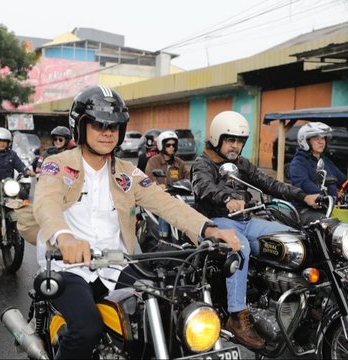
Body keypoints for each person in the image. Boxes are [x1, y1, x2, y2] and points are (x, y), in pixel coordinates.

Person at [32, 85, 239, 359]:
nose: (107, 132)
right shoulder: (58, 165)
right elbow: (46, 203)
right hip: (68, 266)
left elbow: (165, 203)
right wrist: (64, 237)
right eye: (98, 124)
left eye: (114, 126)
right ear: (80, 127)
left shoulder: (127, 173)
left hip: (115, 265)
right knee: (86, 329)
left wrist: (208, 229)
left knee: (169, 311)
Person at [190, 110, 320, 350]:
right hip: (218, 222)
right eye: (231, 140)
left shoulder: (240, 164)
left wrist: (304, 196)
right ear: (217, 138)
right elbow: (203, 188)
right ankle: (237, 315)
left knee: (291, 238)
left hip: (247, 220)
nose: (236, 146)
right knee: (242, 247)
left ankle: (302, 301)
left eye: (240, 141)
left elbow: (269, 183)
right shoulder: (203, 163)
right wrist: (227, 197)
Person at [289, 122, 348, 223]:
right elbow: (304, 184)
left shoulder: (326, 162)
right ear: (305, 141)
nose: (321, 142)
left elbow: (344, 181)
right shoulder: (298, 163)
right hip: (306, 210)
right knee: (331, 226)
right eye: (316, 138)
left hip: (329, 208)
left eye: (323, 138)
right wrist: (327, 197)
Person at [145, 130, 189, 240]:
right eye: (168, 145)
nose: (171, 147)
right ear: (162, 145)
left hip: (178, 196)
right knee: (166, 207)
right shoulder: (153, 161)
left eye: (174, 145)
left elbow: (188, 177)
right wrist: (158, 186)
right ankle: (163, 237)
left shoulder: (179, 163)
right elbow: (149, 178)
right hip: (159, 196)